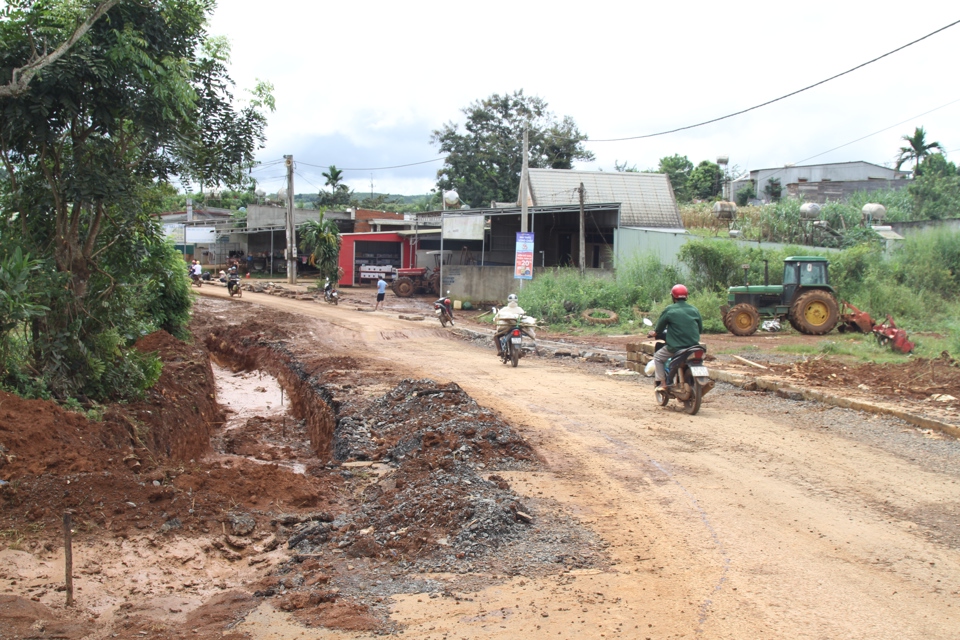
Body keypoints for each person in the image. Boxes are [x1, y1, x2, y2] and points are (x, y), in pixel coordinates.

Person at [647, 284, 703, 391]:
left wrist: (653, 333)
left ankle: (663, 383)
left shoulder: (669, 310)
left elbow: (659, 329)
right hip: (694, 346)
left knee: (658, 357)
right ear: (686, 296)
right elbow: (700, 329)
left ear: (673, 297)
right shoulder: (694, 310)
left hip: (676, 347)